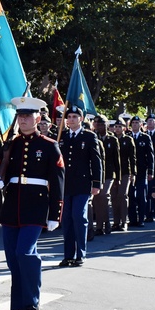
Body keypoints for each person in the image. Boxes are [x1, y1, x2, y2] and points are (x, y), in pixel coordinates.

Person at [0, 96, 64, 310]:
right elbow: (2, 170)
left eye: (28, 116)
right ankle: (19, 306)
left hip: (36, 205)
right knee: (13, 258)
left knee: (25, 253)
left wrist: (55, 213)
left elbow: (58, 180)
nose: (23, 120)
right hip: (12, 205)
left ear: (38, 118)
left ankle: (32, 301)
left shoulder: (49, 146)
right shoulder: (11, 145)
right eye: (20, 116)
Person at [58, 105, 103, 267]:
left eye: (74, 117)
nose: (71, 120)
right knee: (67, 219)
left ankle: (80, 254)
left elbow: (96, 162)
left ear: (81, 119)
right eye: (68, 117)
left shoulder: (89, 137)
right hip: (66, 185)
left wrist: (96, 183)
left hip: (83, 185)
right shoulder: (61, 137)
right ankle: (68, 255)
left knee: (79, 217)